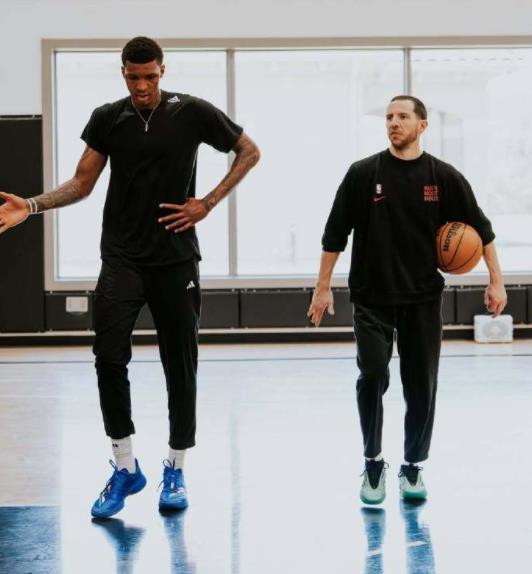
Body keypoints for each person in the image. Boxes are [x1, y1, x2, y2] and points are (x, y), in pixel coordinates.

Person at [0, 36, 260, 518]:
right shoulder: (107, 118)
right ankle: (125, 467)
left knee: (180, 364)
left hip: (176, 259)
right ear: (123, 72)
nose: (142, 86)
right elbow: (82, 183)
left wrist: (207, 203)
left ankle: (175, 468)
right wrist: (31, 206)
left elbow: (249, 151)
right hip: (121, 258)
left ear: (163, 71)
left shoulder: (192, 112)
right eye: (134, 77)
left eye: (150, 77)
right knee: (108, 357)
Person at [307, 95, 506, 504]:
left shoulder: (443, 177)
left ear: (422, 125)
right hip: (371, 296)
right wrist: (322, 286)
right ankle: (373, 460)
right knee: (372, 376)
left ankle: (413, 466)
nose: (393, 123)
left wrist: (496, 281)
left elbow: (482, 230)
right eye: (389, 117)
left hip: (422, 298)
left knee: (421, 386)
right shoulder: (363, 173)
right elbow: (334, 233)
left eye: (402, 116)